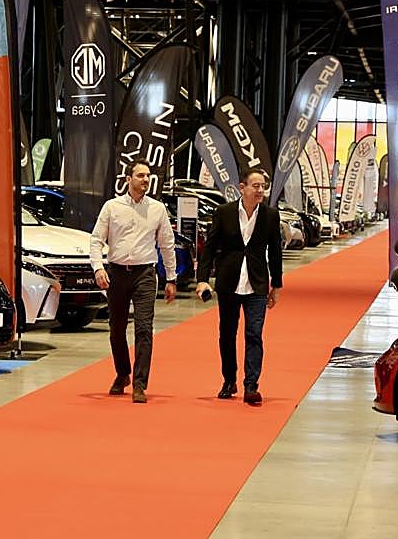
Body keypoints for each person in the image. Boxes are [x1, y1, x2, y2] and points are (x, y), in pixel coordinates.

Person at [90, 161, 178, 404]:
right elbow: (96, 240)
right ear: (128, 178)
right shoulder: (112, 206)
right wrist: (98, 268)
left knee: (144, 328)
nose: (145, 180)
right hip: (117, 272)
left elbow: (167, 244)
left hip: (145, 275)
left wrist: (171, 278)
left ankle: (140, 384)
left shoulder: (158, 209)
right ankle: (122, 374)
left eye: (148, 176)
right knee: (116, 329)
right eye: (140, 175)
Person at [195, 169, 283, 406]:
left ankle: (251, 384)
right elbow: (210, 248)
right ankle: (229, 379)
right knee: (227, 335)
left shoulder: (270, 216)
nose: (260, 190)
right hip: (229, 283)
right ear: (242, 187)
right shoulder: (224, 212)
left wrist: (276, 285)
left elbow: (275, 252)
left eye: (263, 186)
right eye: (255, 186)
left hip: (257, 284)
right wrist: (202, 279)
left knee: (254, 334)